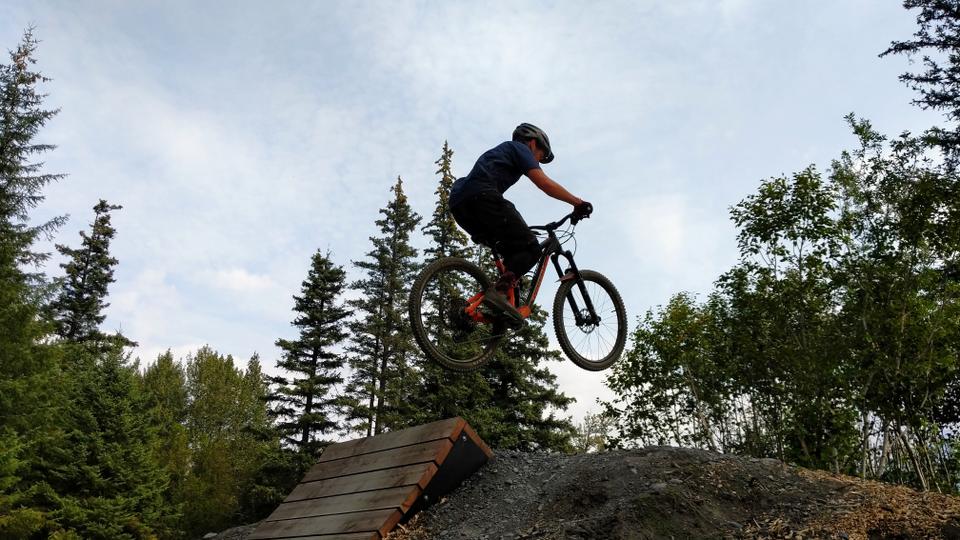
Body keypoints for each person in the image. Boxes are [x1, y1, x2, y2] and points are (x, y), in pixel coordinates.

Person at [449, 123, 593, 322]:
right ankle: (499, 294)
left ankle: (493, 308)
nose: (538, 161)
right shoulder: (519, 148)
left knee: (515, 255)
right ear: (533, 143)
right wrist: (578, 203)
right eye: (540, 156)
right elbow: (544, 183)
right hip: (481, 197)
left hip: (460, 206)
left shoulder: (502, 153)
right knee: (531, 248)